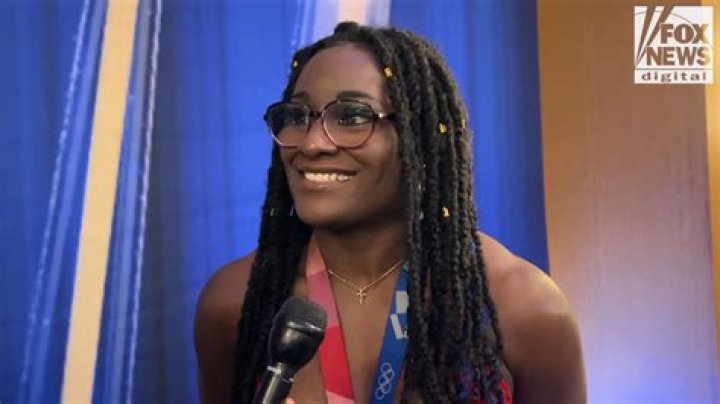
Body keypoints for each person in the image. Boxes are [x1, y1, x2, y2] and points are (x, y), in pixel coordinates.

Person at [194, 22, 586, 404]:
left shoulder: (527, 309)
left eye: (351, 117)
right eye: (297, 117)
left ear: (420, 138)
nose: (311, 144)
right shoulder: (233, 302)